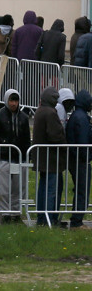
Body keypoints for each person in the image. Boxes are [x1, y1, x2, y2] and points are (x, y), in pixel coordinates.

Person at [0, 89, 31, 224]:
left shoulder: (24, 118)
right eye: (11, 100)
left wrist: (25, 158)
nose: (13, 103)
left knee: (18, 189)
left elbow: (26, 140)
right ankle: (4, 215)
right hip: (4, 158)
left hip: (19, 159)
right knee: (4, 189)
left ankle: (16, 214)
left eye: (16, 100)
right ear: (6, 100)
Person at [32, 87, 67, 227]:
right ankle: (49, 219)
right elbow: (55, 135)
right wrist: (64, 139)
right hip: (51, 158)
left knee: (43, 188)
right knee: (51, 190)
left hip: (42, 157)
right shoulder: (50, 113)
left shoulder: (40, 111)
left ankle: (42, 218)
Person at [66, 89, 92, 230]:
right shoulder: (81, 118)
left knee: (81, 189)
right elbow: (83, 142)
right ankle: (77, 222)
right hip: (80, 160)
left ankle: (77, 220)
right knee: (82, 190)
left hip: (76, 158)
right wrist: (87, 156)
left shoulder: (78, 115)